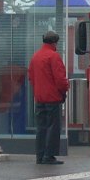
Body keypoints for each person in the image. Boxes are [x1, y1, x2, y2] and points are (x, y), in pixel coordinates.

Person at [28, 30, 69, 165]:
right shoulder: (53, 56)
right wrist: (65, 89)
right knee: (53, 127)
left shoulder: (36, 56)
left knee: (41, 127)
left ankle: (39, 156)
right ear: (55, 42)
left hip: (39, 97)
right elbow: (60, 79)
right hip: (52, 97)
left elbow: (31, 78)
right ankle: (49, 156)